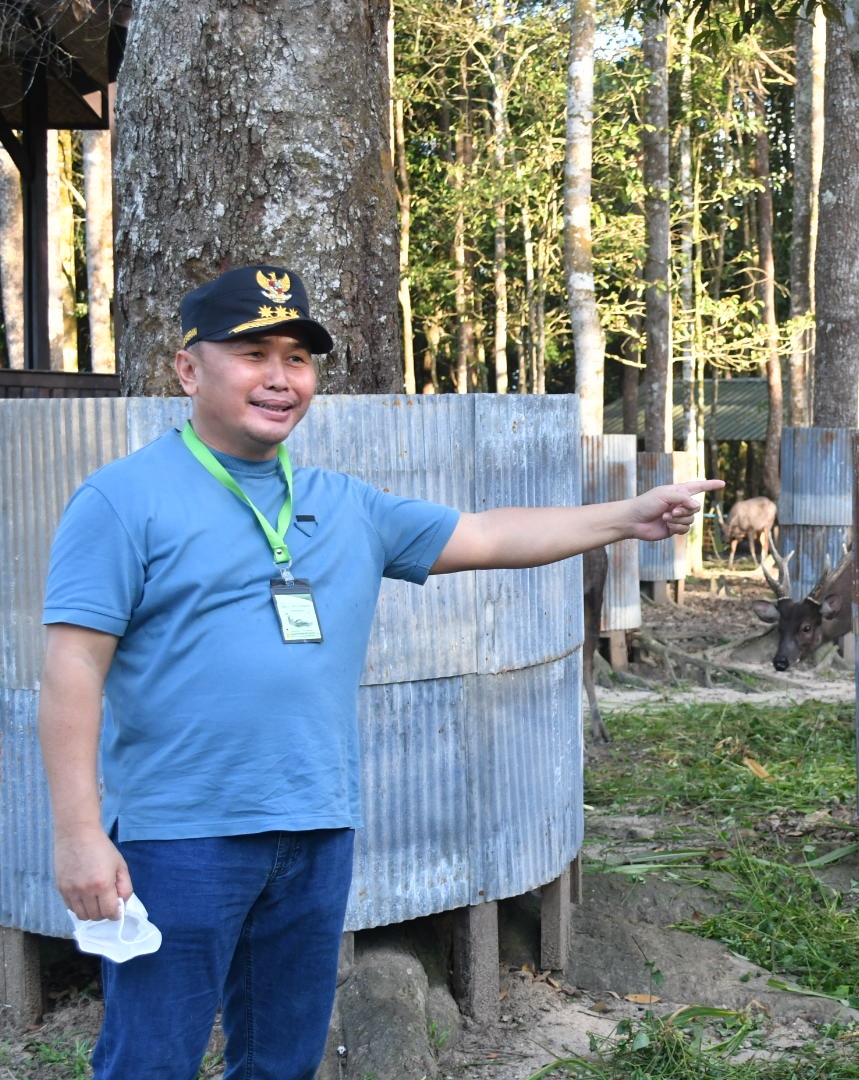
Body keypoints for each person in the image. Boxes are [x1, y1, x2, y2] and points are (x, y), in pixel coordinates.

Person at [36, 264, 721, 1079]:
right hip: (183, 840)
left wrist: (628, 516)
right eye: (254, 352)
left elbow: (488, 534)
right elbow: (73, 666)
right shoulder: (122, 500)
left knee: (284, 1060)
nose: (281, 378)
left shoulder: (345, 503)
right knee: (151, 1059)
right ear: (189, 368)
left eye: (298, 357)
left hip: (316, 831)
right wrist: (79, 836)